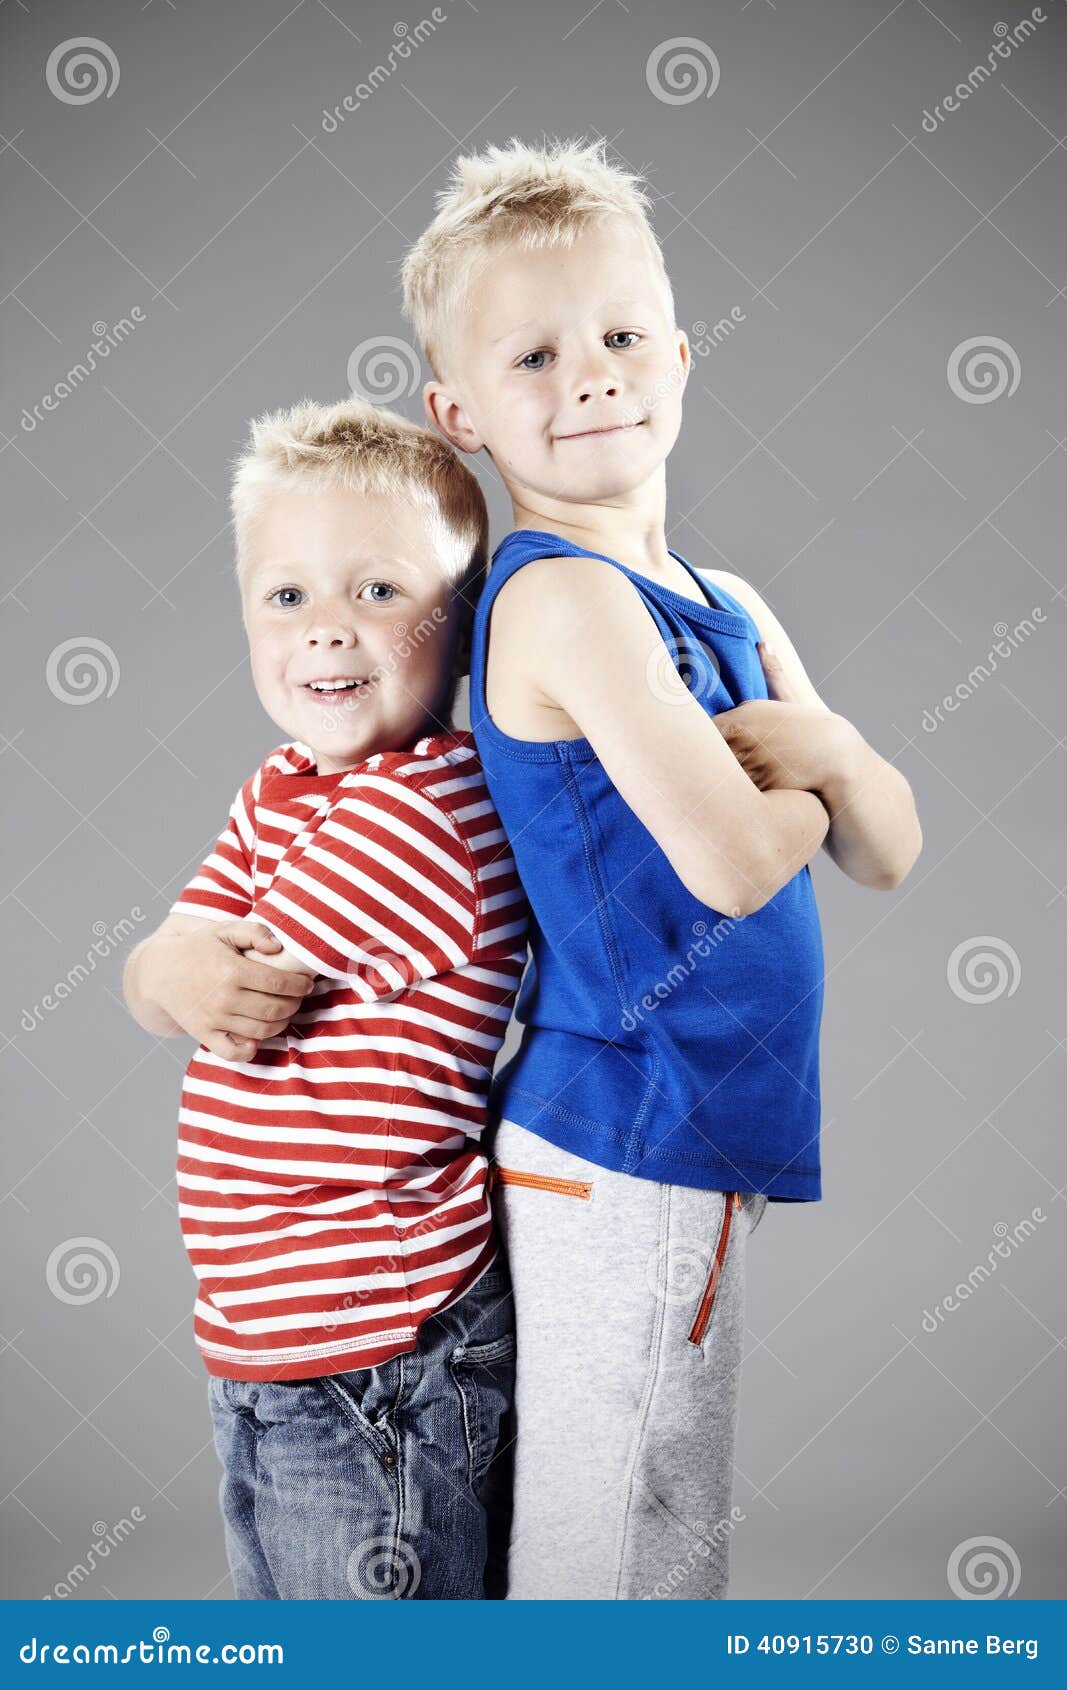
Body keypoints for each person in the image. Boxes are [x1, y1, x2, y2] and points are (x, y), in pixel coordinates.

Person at [399, 137, 923, 1599]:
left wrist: (813, 756)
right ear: (460, 414)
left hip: (692, 1136)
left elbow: (888, 845)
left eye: (623, 334)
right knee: (617, 1524)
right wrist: (814, 763)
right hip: (620, 1130)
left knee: (661, 1507)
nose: (591, 374)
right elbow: (740, 860)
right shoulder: (560, 596)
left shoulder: (726, 601)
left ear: (681, 358)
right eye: (536, 355)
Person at [122, 396, 528, 1599]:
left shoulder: (424, 811)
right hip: (271, 1341)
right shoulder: (286, 787)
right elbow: (171, 970)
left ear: (460, 627)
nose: (326, 633)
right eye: (286, 598)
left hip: (374, 1346)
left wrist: (176, 968)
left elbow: (229, 982)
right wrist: (167, 966)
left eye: (380, 592)